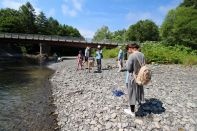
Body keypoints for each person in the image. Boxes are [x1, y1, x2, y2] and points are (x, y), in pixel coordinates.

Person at [124, 43, 145, 117]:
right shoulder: (142, 55)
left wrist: (126, 63)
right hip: (140, 76)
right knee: (139, 90)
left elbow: (129, 69)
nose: (128, 51)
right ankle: (139, 102)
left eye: (128, 49)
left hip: (133, 77)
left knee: (132, 93)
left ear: (131, 48)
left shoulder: (132, 56)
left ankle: (132, 111)